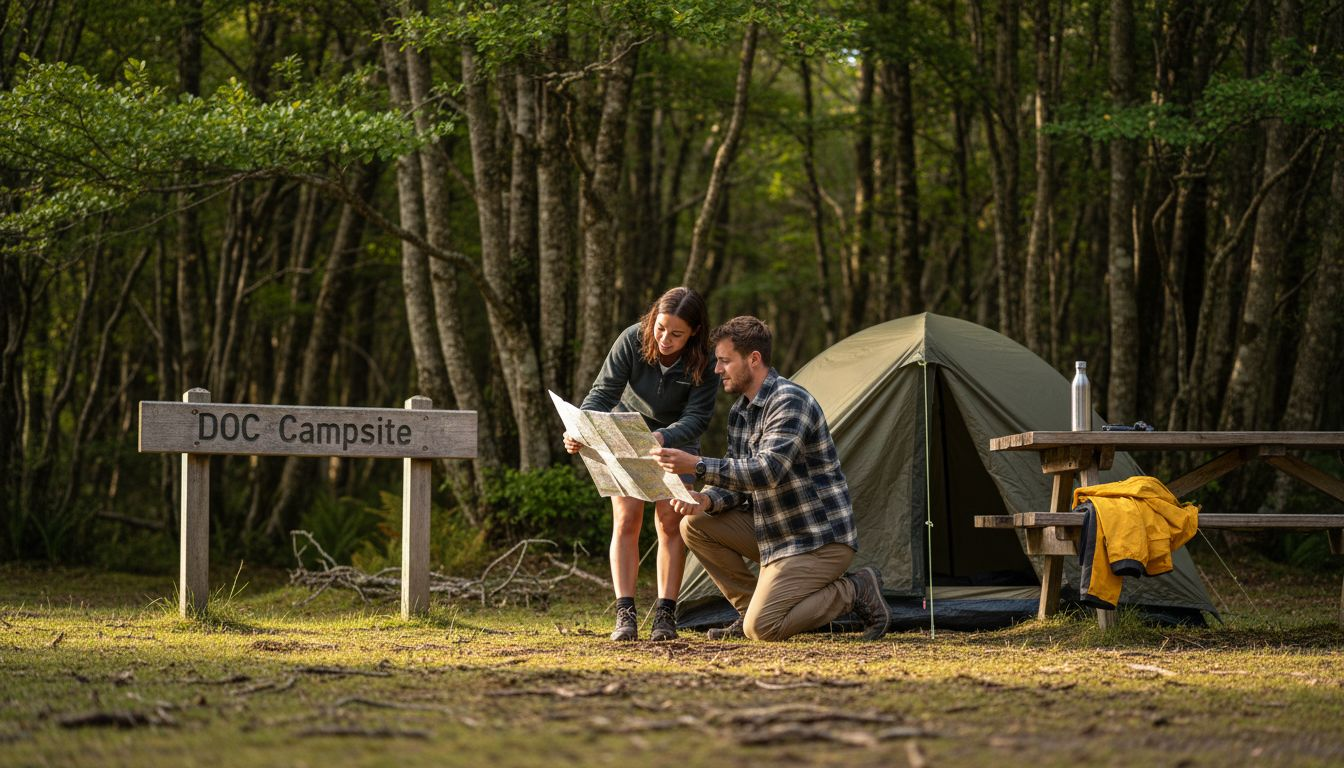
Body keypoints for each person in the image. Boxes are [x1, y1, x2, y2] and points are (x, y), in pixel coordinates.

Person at [651, 316, 889, 642]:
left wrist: (697, 463)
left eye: (724, 361)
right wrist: (705, 499)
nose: (717, 369)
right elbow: (738, 479)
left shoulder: (790, 401)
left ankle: (855, 589)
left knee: (762, 629)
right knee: (694, 524)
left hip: (817, 541)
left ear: (753, 359)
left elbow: (767, 471)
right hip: (775, 534)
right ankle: (748, 608)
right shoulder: (740, 412)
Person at [565, 287, 719, 641]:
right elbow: (603, 393)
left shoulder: (705, 360)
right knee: (627, 519)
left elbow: (698, 416)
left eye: (676, 334)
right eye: (661, 328)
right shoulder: (632, 339)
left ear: (694, 332)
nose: (665, 339)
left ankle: (666, 614)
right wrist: (579, 429)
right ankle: (626, 614)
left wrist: (664, 437)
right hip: (627, 435)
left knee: (669, 523)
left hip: (676, 443)